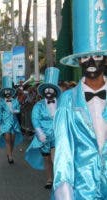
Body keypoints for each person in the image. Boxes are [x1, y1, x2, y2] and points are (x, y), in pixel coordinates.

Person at [53, 1, 107, 199]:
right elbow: (64, 150)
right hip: (83, 189)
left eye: (97, 56)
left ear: (105, 59)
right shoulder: (67, 100)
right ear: (78, 62)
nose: (91, 62)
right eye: (85, 57)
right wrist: (65, 193)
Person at [25, 67, 61, 189]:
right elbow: (35, 119)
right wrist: (39, 132)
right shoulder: (38, 105)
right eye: (47, 89)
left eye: (51, 89)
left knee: (55, 157)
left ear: (55, 91)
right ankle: (49, 178)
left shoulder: (62, 103)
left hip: (57, 135)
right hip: (43, 136)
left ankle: (58, 179)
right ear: (44, 91)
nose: (49, 91)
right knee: (46, 158)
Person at [0, 76, 23, 163]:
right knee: (7, 139)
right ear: (4, 92)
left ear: (11, 92)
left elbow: (19, 109)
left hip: (14, 123)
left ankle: (10, 153)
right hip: (5, 123)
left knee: (12, 140)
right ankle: (10, 156)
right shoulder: (1, 102)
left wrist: (15, 110)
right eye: (6, 91)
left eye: (9, 91)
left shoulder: (15, 101)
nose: (7, 93)